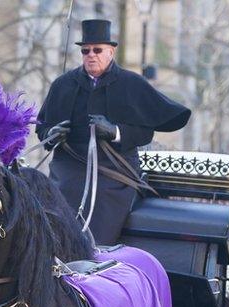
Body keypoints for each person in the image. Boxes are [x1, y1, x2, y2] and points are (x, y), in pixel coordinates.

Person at [36, 19, 191, 246]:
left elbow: (148, 130)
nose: (91, 55)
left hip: (113, 172)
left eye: (97, 50)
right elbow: (42, 127)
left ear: (111, 51)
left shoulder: (131, 83)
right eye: (85, 51)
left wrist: (115, 132)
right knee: (57, 205)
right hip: (69, 169)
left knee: (103, 205)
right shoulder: (63, 84)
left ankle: (98, 257)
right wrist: (53, 134)